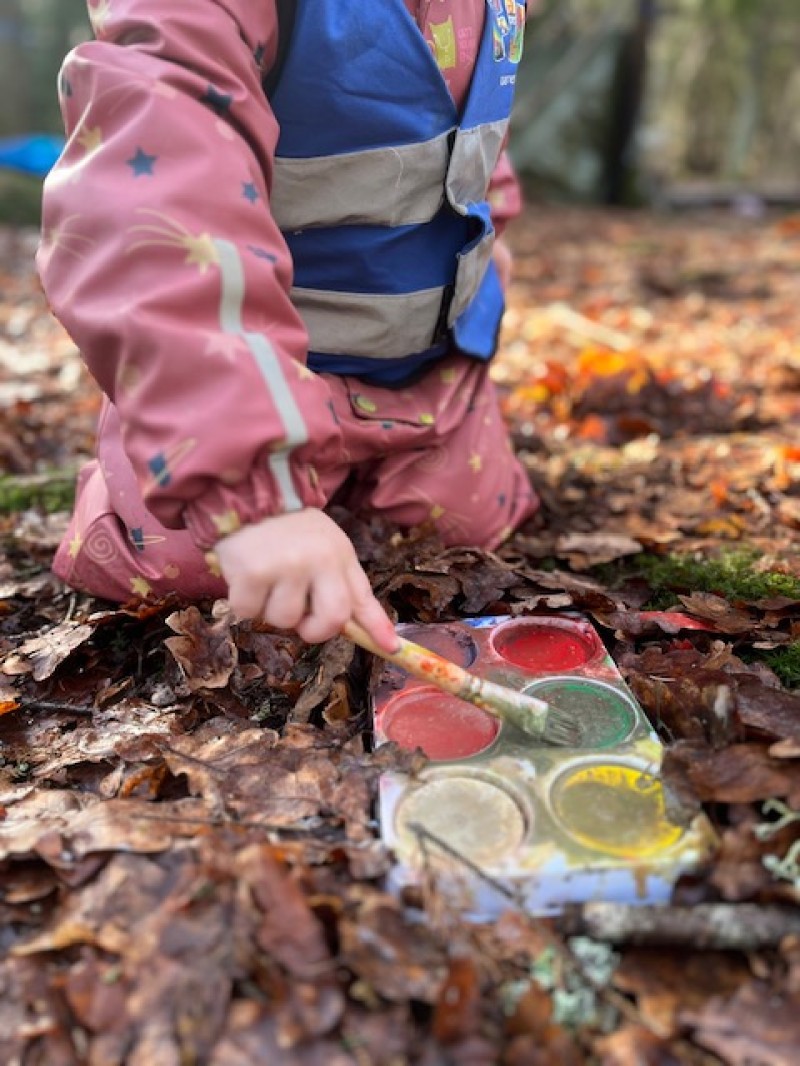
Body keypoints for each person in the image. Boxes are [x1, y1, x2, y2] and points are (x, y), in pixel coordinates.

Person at [38, 0, 537, 653]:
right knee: (191, 564)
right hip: (256, 369)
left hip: (426, 375)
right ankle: (189, 447)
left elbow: (473, 118)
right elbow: (153, 200)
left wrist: (488, 229)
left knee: (469, 529)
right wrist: (253, 494)